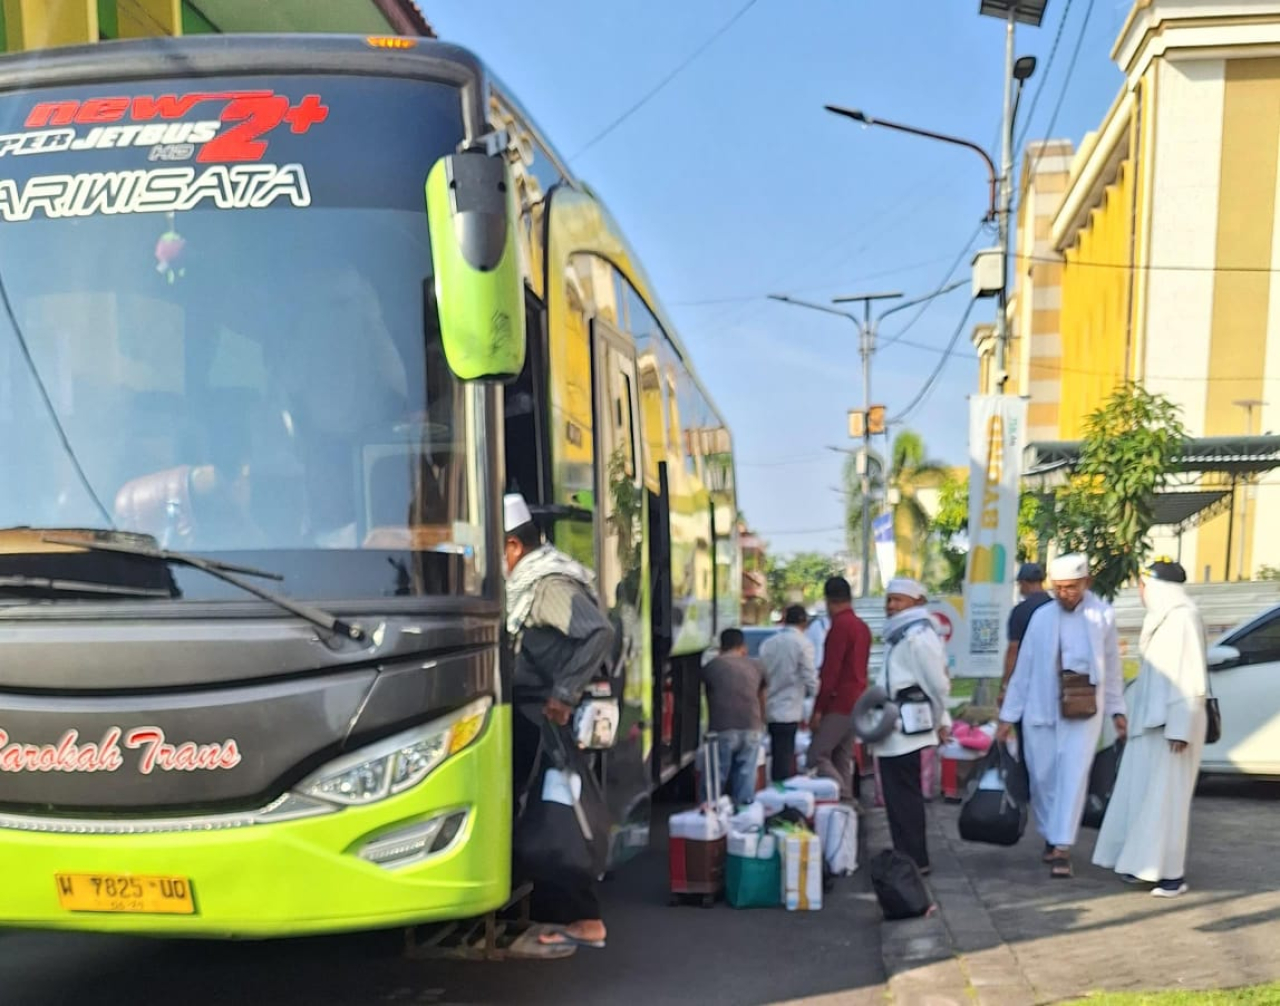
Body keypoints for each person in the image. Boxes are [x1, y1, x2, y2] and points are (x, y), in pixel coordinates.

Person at [504, 493, 614, 952]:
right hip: (535, 708)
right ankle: (543, 907)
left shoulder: (547, 584)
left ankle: (584, 918)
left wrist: (564, 692)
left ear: (512, 547)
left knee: (560, 813)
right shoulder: (530, 582)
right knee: (539, 810)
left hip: (550, 712)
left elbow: (598, 632)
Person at [996, 554, 1127, 879]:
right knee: (1042, 778)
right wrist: (1007, 716)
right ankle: (1052, 835)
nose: (1065, 594)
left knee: (1073, 776)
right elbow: (1024, 669)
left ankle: (1062, 846)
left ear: (1086, 583)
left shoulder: (1102, 617)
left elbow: (1112, 668)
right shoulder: (1041, 617)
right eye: (1059, 588)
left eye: (1071, 587)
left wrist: (1117, 710)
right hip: (1041, 709)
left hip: (1083, 711)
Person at [1093, 559, 1207, 898]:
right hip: (1152, 726)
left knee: (1166, 801)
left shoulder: (1183, 617)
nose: (1141, 593)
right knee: (1142, 797)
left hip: (1174, 727)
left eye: (1143, 586)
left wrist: (1180, 728)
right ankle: (1140, 865)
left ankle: (1172, 876)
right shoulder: (1163, 618)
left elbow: (1190, 679)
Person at [874, 578, 952, 873]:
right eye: (889, 600)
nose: (892, 606)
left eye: (899, 600)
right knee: (896, 798)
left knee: (905, 796)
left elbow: (938, 684)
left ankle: (914, 860)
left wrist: (941, 720)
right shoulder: (900, 635)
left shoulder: (920, 636)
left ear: (917, 603)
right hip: (894, 726)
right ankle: (906, 857)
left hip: (908, 728)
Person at [809, 576, 872, 801]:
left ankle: (846, 799)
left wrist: (818, 710)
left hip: (839, 702)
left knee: (817, 755)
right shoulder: (862, 627)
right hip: (858, 700)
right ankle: (845, 813)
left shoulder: (839, 627)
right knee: (842, 757)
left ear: (828, 601)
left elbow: (830, 672)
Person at [700, 628, 767, 806]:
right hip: (752, 727)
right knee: (745, 777)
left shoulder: (713, 666)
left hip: (722, 728)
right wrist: (762, 721)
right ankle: (743, 818)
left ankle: (711, 815)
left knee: (716, 777)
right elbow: (762, 696)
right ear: (743, 647)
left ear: (721, 647)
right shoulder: (756, 666)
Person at [759, 605, 819, 782]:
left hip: (770, 708)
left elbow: (762, 676)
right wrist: (819, 699)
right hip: (790, 709)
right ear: (804, 622)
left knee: (778, 754)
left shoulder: (768, 644)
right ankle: (783, 795)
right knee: (785, 756)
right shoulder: (803, 644)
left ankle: (778, 789)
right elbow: (810, 676)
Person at [999, 562, 1052, 704]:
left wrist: (1005, 685)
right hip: (1053, 678)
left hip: (1027, 678)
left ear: (1023, 583)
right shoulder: (1056, 607)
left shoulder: (1019, 612)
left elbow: (1013, 650)